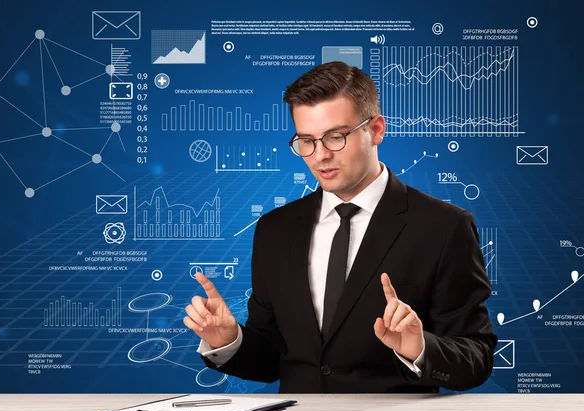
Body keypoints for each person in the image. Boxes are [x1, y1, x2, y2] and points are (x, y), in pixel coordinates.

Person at [184, 61, 498, 393]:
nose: (320, 156)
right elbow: (272, 359)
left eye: (335, 137)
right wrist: (230, 340)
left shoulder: (444, 227)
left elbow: (476, 358)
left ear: (376, 129)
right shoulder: (274, 230)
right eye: (306, 141)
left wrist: (420, 349)